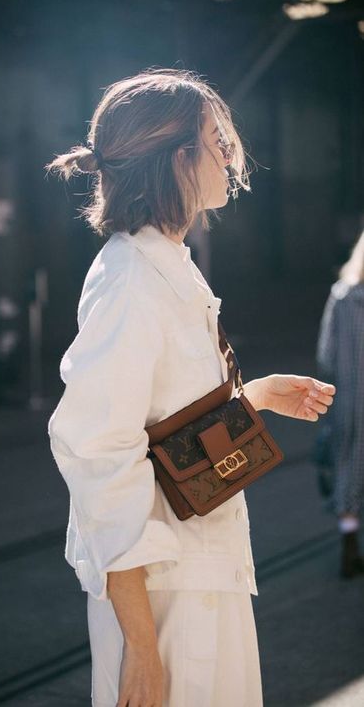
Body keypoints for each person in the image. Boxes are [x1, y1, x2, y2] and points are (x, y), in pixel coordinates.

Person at [46, 68, 335, 707]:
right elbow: (97, 454)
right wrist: (144, 653)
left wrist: (251, 399)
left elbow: (164, 429)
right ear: (178, 160)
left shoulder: (168, 263)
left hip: (199, 579)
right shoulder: (131, 279)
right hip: (167, 605)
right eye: (218, 142)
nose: (231, 157)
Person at [317, 230, 364, 579]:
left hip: (348, 400)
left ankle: (349, 543)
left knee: (348, 468)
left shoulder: (342, 295)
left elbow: (326, 354)